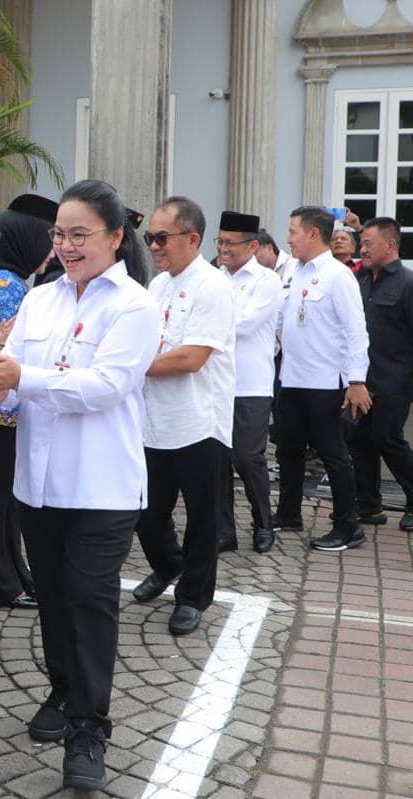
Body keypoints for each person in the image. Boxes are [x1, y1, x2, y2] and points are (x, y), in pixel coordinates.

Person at [0, 179, 158, 791]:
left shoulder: (135, 307)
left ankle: (89, 729)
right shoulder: (39, 301)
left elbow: (105, 387)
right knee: (53, 597)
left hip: (101, 487)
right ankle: (64, 691)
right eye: (58, 235)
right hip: (38, 484)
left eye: (79, 234)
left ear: (116, 238)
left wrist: (24, 376)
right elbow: (14, 376)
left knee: (90, 602)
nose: (66, 246)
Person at [132, 197, 235, 636]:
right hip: (155, 420)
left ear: (192, 239)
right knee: (147, 513)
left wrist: (129, 367)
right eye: (149, 237)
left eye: (161, 237)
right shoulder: (157, 287)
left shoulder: (213, 286)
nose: (153, 245)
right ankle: (169, 565)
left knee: (202, 517)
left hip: (199, 421)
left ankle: (193, 597)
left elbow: (191, 357)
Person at [0, 194, 57, 609]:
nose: (53, 249)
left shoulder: (5, 281)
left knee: (2, 497)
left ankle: (11, 575)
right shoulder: (7, 287)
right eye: (48, 239)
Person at [274, 206, 371, 551]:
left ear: (313, 234)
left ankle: (349, 526)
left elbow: (356, 330)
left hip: (326, 381)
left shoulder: (337, 275)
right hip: (293, 377)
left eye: (293, 231)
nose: (289, 238)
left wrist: (356, 380)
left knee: (333, 453)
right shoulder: (293, 272)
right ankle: (288, 513)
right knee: (288, 449)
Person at [213, 212, 283, 554]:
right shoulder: (214, 278)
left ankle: (263, 523)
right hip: (215, 382)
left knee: (247, 457)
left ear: (253, 246)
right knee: (217, 459)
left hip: (251, 384)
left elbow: (243, 324)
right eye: (220, 241)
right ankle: (224, 531)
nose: (223, 249)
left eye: (230, 243)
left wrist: (208, 323)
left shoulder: (266, 281)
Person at [351, 217, 413, 531]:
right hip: (361, 379)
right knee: (360, 440)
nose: (362, 249)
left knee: (388, 440)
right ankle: (370, 506)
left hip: (395, 381)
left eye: (368, 244)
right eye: (361, 243)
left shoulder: (407, 283)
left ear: (390, 245)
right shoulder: (360, 282)